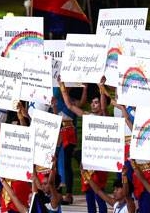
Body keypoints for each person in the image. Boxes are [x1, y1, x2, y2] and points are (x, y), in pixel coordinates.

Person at [58, 77, 110, 213]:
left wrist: (101, 87)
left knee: (99, 194)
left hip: (99, 161)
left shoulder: (104, 118)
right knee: (89, 195)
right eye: (92, 103)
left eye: (96, 102)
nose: (93, 105)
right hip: (87, 161)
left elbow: (104, 108)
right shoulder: (87, 116)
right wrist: (62, 86)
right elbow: (70, 106)